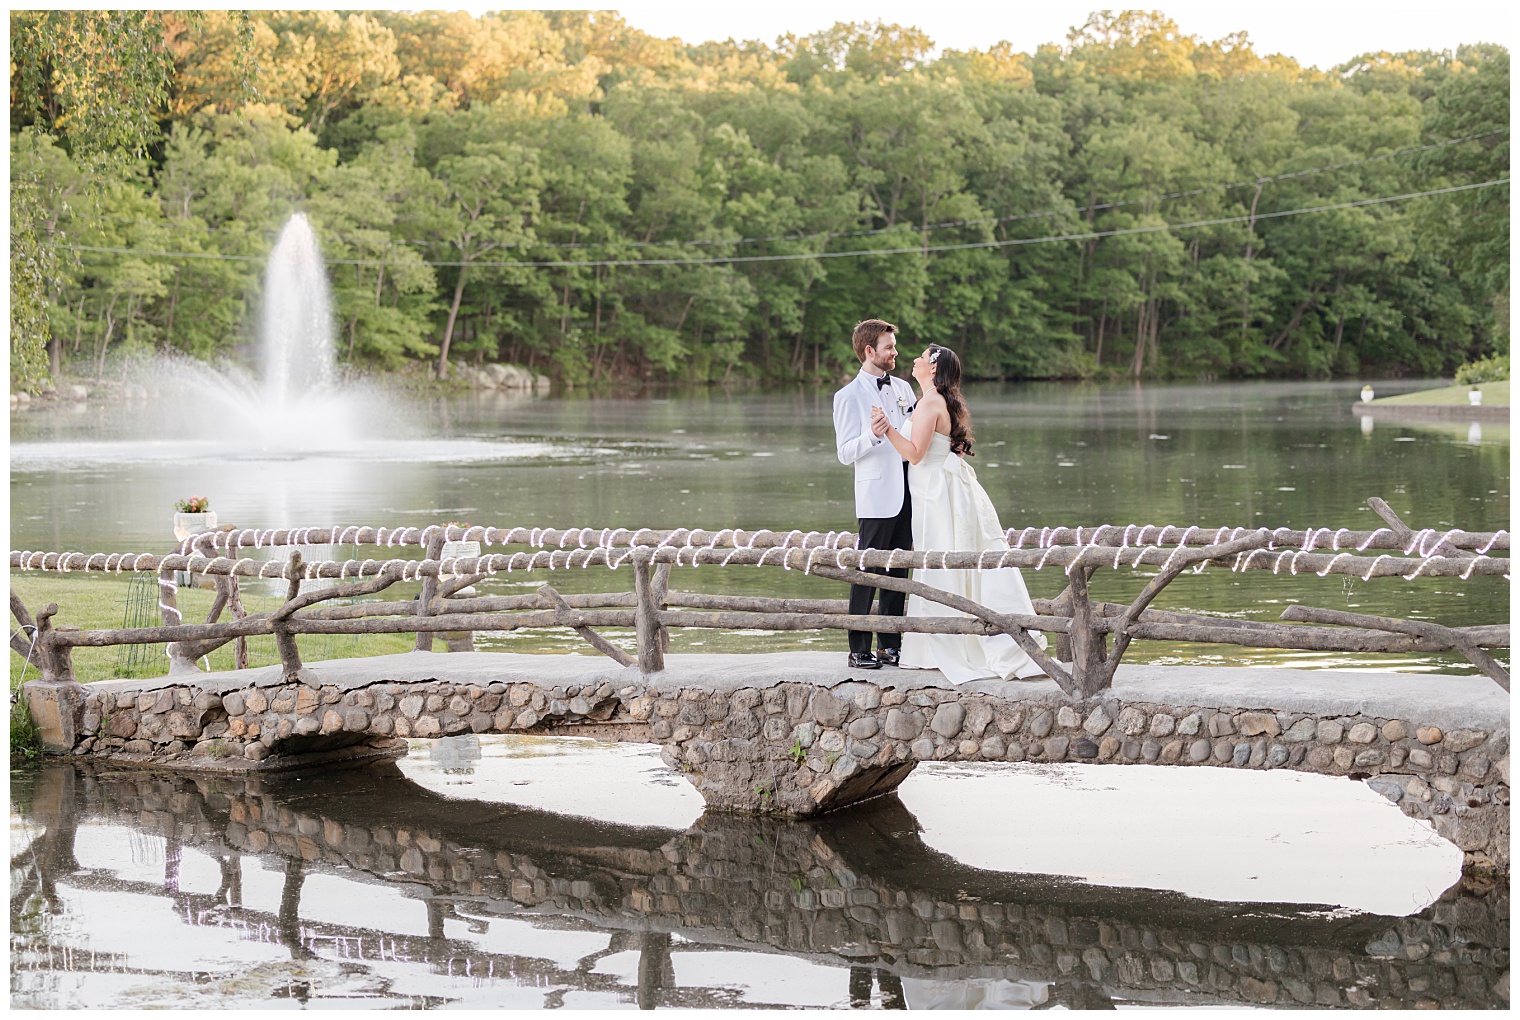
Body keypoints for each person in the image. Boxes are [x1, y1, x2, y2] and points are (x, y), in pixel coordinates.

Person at [871, 343, 1046, 683]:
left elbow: (916, 454)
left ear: (933, 368)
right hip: (938, 490)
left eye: (922, 357)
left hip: (934, 492)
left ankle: (942, 645)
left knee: (937, 561)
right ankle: (940, 642)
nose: (915, 360)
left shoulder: (930, 403)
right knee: (941, 559)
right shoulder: (940, 402)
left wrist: (886, 427)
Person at [832, 318, 917, 669]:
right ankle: (858, 649)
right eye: (889, 347)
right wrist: (874, 435)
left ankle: (890, 645)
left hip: (909, 490)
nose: (895, 352)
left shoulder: (904, 388)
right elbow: (845, 452)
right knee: (866, 571)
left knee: (898, 572)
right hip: (876, 496)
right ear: (870, 351)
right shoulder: (848, 395)